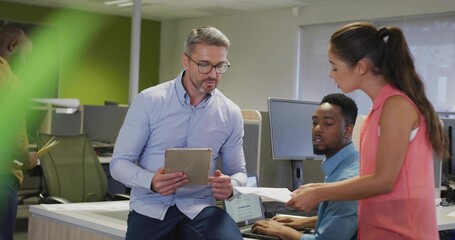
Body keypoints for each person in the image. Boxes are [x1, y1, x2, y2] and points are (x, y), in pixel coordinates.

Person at [287, 22, 448, 239]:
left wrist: (319, 193)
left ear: (361, 67)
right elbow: (371, 179)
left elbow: (384, 180)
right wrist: (316, 189)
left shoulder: (396, 107)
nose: (331, 74)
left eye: (335, 67)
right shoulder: (379, 109)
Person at [110, 26, 247, 240]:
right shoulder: (150, 101)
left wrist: (231, 186)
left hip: (199, 207)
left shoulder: (230, 113)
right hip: (151, 207)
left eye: (220, 66)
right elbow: (118, 164)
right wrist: (151, 181)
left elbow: (239, 172)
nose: (213, 74)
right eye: (204, 65)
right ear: (186, 61)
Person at [251, 93, 359, 240]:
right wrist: (306, 222)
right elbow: (344, 218)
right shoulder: (349, 164)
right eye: (315, 122)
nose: (317, 129)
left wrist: (281, 231)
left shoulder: (346, 179)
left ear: (348, 130)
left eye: (327, 124)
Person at [0, 23, 39, 240]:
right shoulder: (11, 82)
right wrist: (27, 158)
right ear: (13, 45)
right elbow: (15, 136)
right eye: (26, 56)